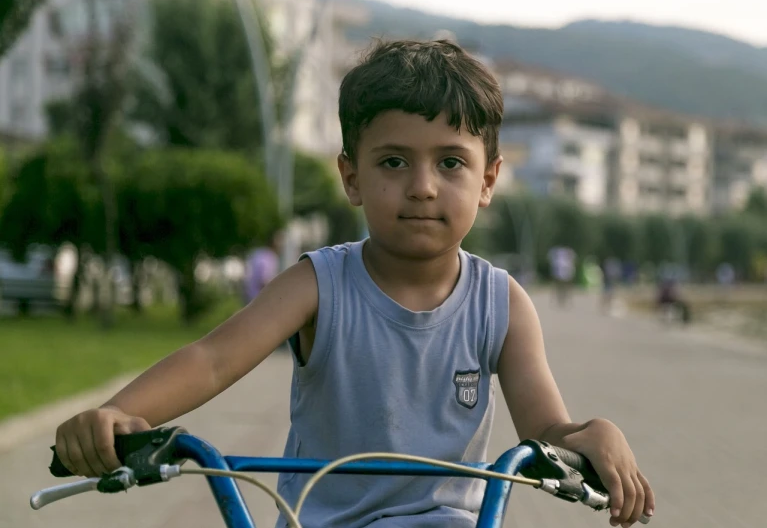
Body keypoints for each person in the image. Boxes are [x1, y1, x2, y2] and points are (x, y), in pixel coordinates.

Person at [54, 39, 654, 528]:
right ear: (352, 176)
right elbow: (211, 361)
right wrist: (116, 414)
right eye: (394, 161)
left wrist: (593, 435)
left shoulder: (502, 304)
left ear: (489, 179)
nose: (422, 186)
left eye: (450, 162)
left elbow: (545, 433)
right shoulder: (319, 284)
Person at [243, 230, 284, 304]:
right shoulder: (270, 257)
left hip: (248, 298)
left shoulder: (258, 253)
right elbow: (264, 281)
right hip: (259, 300)